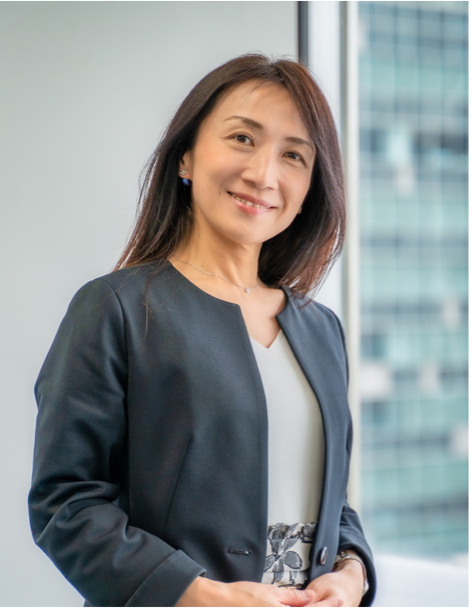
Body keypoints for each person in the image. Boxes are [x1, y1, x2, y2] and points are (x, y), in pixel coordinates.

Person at [29, 54, 376, 607]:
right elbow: (66, 505)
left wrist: (352, 570)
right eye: (242, 139)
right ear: (186, 156)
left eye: (293, 155)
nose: (263, 174)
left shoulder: (320, 328)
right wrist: (201, 595)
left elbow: (327, 497)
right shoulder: (115, 309)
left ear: (312, 185)